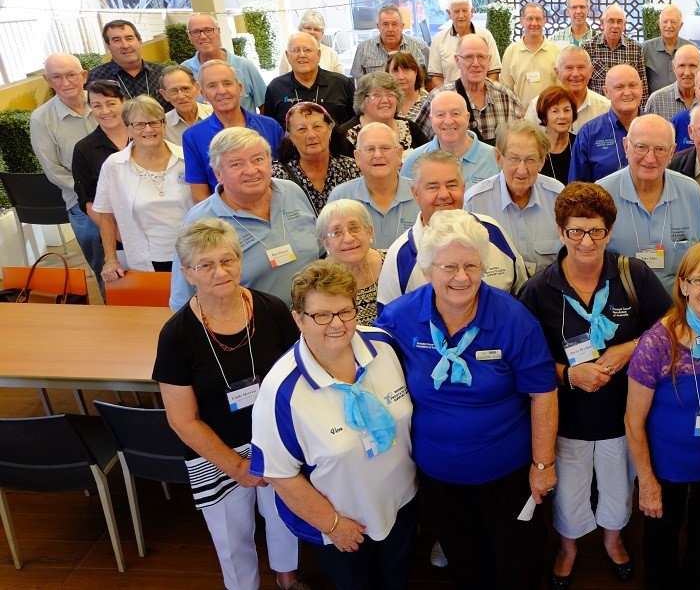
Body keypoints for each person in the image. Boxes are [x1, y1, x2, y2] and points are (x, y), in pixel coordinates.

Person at [375, 209, 557, 588]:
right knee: (465, 560)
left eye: (472, 265)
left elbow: (543, 394)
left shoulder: (514, 319)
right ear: (427, 271)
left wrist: (542, 466)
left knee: (517, 561)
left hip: (507, 472)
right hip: (438, 474)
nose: (462, 277)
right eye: (449, 267)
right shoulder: (399, 319)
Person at [518, 182, 672, 589]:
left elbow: (670, 325)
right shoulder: (539, 289)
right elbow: (523, 360)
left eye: (596, 231)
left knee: (618, 490)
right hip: (566, 418)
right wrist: (568, 373)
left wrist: (628, 348)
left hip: (623, 416)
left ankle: (613, 539)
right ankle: (568, 547)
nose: (586, 241)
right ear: (560, 231)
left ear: (609, 231)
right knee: (569, 495)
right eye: (575, 231)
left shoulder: (632, 274)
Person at [155, 218, 306, 590]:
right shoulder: (176, 335)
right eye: (204, 265)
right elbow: (182, 420)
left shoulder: (271, 310)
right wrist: (237, 466)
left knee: (285, 517)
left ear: (240, 262)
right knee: (231, 536)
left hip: (275, 441)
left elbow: (300, 379)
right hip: (216, 452)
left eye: (227, 260)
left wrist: (279, 447)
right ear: (188, 274)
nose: (219, 272)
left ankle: (287, 578)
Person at [251, 260, 418, 589]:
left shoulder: (385, 347)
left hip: (401, 504)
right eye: (321, 315)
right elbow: (278, 473)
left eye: (345, 311)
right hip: (343, 525)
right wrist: (333, 524)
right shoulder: (281, 390)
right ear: (298, 318)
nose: (336, 324)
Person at [626, 241, 700, 589]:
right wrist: (647, 482)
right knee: (661, 545)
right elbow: (633, 422)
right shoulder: (657, 342)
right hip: (667, 467)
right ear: (682, 285)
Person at [169, 127, 319, 310]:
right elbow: (182, 300)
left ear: (270, 163)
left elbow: (320, 252)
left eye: (257, 159)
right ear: (218, 175)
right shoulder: (201, 220)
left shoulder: (292, 191)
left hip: (314, 317)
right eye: (236, 164)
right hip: (252, 329)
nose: (251, 170)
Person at [377, 150, 526, 305]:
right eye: (433, 187)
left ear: (463, 188)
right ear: (415, 194)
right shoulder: (400, 254)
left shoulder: (493, 232)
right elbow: (389, 323)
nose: (444, 194)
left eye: (451, 185)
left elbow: (523, 295)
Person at [596, 114, 700, 290]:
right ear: (626, 146)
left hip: (678, 309)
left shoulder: (691, 192)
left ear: (672, 152)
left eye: (660, 149)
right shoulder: (601, 195)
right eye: (641, 147)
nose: (650, 158)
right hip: (619, 310)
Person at [93, 95, 190, 282]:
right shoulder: (114, 165)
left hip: (192, 253)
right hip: (148, 259)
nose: (148, 129)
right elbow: (106, 216)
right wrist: (111, 260)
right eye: (139, 124)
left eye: (154, 122)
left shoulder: (186, 158)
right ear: (128, 128)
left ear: (164, 124)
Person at [30, 53, 98, 283]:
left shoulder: (105, 102)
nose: (65, 82)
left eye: (71, 75)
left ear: (84, 76)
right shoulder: (41, 119)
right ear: (48, 80)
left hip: (127, 193)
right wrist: (92, 197)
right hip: (83, 203)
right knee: (105, 269)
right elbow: (54, 171)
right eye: (57, 77)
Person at [464, 120, 564, 276]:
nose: (522, 170)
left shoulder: (557, 196)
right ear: (499, 158)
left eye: (530, 160)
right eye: (514, 159)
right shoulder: (475, 202)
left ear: (542, 161)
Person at [183, 60, 284, 201]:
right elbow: (200, 194)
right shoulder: (193, 136)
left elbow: (286, 176)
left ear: (239, 88)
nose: (222, 91)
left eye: (227, 83)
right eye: (212, 86)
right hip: (225, 217)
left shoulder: (270, 126)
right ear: (203, 94)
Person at [416, 34, 524, 146]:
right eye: (469, 57)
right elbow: (419, 142)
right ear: (457, 61)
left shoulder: (507, 98)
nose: (476, 64)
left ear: (489, 60)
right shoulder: (438, 98)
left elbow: (521, 143)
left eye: (481, 57)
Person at [71, 80, 127, 288]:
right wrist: (121, 234)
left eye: (111, 103)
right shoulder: (84, 149)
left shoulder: (144, 135)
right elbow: (87, 201)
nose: (105, 111)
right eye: (96, 105)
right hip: (117, 237)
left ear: (124, 102)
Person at [329, 122, 420, 250]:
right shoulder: (340, 197)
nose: (378, 155)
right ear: (357, 157)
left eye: (385, 148)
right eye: (370, 149)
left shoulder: (421, 194)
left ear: (399, 154)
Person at [271, 102, 360, 214]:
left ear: (330, 129)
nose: (311, 135)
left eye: (317, 126)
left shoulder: (352, 168)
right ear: (291, 137)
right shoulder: (278, 176)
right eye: (301, 129)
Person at [402, 92, 500, 187]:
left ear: (467, 118)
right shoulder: (414, 159)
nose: (448, 121)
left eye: (455, 114)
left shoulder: (495, 158)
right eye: (440, 115)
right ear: (431, 120)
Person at [317, 200, 388, 325]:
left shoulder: (392, 262)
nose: (348, 239)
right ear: (325, 242)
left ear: (369, 231)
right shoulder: (317, 282)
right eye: (337, 232)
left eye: (354, 228)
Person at [569, 63, 643, 183]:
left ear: (641, 87)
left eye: (633, 85)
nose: (627, 92)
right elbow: (577, 189)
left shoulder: (659, 129)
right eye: (619, 87)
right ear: (606, 92)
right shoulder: (588, 134)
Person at [264, 33, 356, 127]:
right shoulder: (276, 88)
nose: (302, 55)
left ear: (318, 55)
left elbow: (358, 120)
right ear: (287, 56)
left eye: (307, 50)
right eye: (296, 50)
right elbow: (270, 128)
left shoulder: (340, 83)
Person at [181, 13, 267, 113]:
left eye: (208, 30)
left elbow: (265, 106)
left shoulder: (245, 66)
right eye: (196, 32)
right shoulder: (185, 72)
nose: (203, 36)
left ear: (218, 31)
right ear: (189, 37)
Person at [87, 19, 169, 111]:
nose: (125, 45)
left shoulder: (164, 74)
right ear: (108, 46)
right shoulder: (94, 78)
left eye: (129, 38)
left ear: (139, 41)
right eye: (117, 40)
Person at [523, 47, 611, 131]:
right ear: (557, 72)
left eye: (581, 67)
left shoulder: (605, 108)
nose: (575, 74)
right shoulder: (538, 105)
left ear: (591, 72)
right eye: (569, 68)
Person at [427, 0, 502, 88]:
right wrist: (449, 97)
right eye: (456, 11)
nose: (461, 15)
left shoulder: (486, 36)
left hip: (481, 97)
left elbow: (493, 72)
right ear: (449, 13)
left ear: (472, 12)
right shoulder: (439, 39)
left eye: (465, 11)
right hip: (451, 99)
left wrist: (484, 94)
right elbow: (436, 76)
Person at [338, 72, 426, 151]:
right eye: (376, 95)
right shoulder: (345, 135)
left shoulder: (411, 128)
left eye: (390, 94)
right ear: (362, 100)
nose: (385, 100)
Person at [585, 5, 649, 105]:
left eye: (619, 21)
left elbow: (642, 85)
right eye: (611, 21)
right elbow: (584, 84)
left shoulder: (635, 48)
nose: (615, 25)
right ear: (602, 23)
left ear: (624, 25)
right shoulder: (589, 47)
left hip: (626, 107)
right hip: (598, 108)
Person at [500, 2, 561, 107]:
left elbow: (561, 86)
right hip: (520, 117)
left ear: (544, 21)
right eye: (529, 18)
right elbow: (505, 89)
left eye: (538, 19)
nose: (534, 23)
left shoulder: (556, 51)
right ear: (522, 20)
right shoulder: (511, 51)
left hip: (550, 116)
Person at [349, 4, 430, 80]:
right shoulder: (363, 48)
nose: (390, 29)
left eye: (394, 24)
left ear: (402, 26)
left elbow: (429, 81)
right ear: (378, 26)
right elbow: (360, 85)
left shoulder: (420, 47)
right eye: (385, 24)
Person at [641, 4, 698, 95]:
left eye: (673, 22)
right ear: (659, 24)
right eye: (665, 21)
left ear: (681, 25)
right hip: (656, 105)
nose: (669, 25)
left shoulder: (692, 49)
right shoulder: (646, 48)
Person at [644, 44, 700, 120]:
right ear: (674, 67)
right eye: (681, 66)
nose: (687, 73)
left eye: (692, 66)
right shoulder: (656, 101)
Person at [159, 65, 212, 145]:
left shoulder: (216, 114)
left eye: (185, 89)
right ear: (165, 95)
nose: (181, 96)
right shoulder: (163, 126)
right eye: (174, 91)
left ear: (197, 89)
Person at [278, 10, 344, 75]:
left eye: (316, 29)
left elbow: (339, 83)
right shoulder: (289, 54)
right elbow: (282, 83)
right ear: (300, 30)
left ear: (322, 33)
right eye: (308, 28)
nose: (312, 32)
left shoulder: (332, 55)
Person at [534, 85, 577, 183]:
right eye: (555, 111)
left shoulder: (580, 144)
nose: (562, 116)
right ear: (544, 116)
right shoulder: (534, 148)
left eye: (567, 110)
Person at [387, 52, 429, 122]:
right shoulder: (384, 101)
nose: (401, 77)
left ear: (415, 72)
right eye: (395, 71)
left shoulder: (429, 101)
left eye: (406, 70)